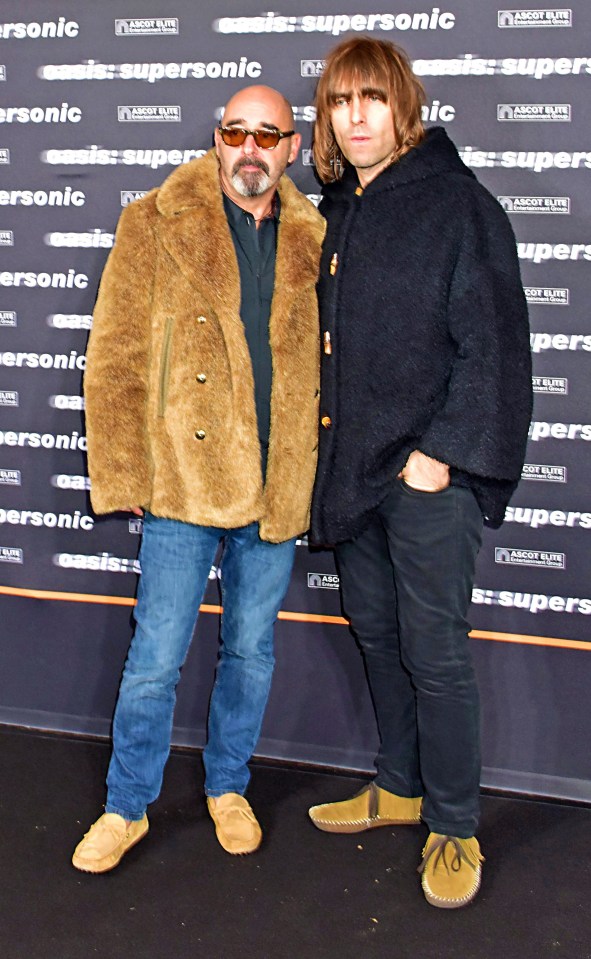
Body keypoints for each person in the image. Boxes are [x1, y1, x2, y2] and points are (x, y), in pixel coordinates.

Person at [72, 85, 325, 872]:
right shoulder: (153, 219)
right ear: (217, 140)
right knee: (156, 655)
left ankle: (227, 786)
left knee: (251, 651)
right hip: (182, 479)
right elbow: (111, 359)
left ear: (292, 147)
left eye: (267, 135)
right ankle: (126, 805)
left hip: (275, 480)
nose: (249, 148)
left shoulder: (317, 235)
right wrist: (123, 468)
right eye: (234, 133)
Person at [307, 37, 532, 908]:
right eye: (337, 101)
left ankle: (455, 823)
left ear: (404, 106)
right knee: (377, 634)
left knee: (435, 654)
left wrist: (438, 456)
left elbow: (496, 353)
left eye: (370, 98)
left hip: (425, 479)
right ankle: (398, 786)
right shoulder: (333, 211)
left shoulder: (459, 206)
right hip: (351, 474)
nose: (354, 116)